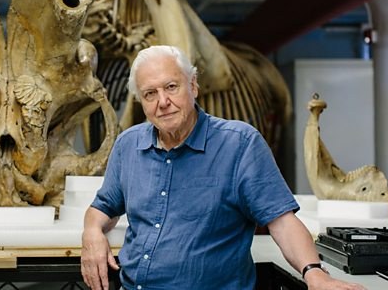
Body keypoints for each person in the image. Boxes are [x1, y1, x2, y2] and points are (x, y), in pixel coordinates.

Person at [80, 45, 366, 290]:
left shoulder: (240, 144)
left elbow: (281, 221)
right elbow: (103, 206)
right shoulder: (128, 145)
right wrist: (92, 231)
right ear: (140, 101)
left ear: (193, 86)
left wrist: (313, 273)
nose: (163, 102)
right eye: (150, 94)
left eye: (171, 87)